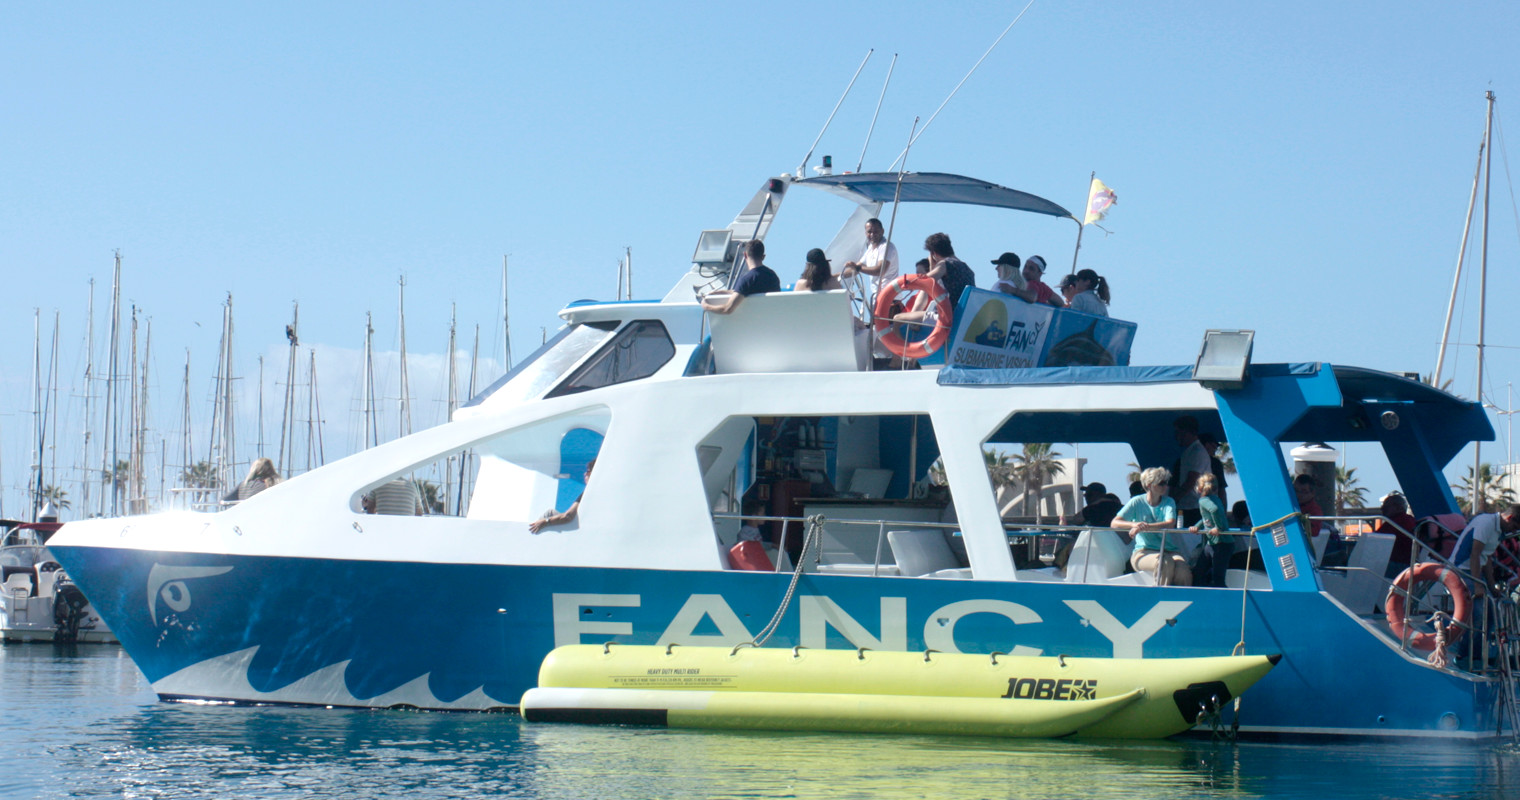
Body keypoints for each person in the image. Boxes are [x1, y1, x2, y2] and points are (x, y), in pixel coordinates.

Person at [1112, 466, 1194, 586]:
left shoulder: (1169, 501)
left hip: (1169, 551)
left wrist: (1144, 527)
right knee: (1164, 562)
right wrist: (1135, 524)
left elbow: (1170, 523)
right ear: (1149, 485)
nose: (1166, 486)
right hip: (1143, 552)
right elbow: (1114, 523)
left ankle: (1183, 600)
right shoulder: (1136, 502)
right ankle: (1162, 597)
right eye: (1161, 483)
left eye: (1166, 483)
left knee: (1183, 571)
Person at [1450, 504, 1520, 598]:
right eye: (1515, 527)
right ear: (1509, 518)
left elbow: (1486, 557)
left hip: (1475, 572)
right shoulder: (1487, 522)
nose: (1514, 532)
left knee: (1491, 607)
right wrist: (1477, 586)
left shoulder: (1498, 531)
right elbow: (1475, 554)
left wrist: (1492, 587)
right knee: (1479, 608)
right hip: (1461, 570)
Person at [701, 240, 779, 314]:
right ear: (763, 257)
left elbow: (727, 309)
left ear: (745, 255)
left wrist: (706, 306)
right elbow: (739, 291)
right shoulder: (773, 276)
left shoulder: (747, 280)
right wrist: (715, 293)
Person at [841, 218, 899, 303]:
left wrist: (857, 268)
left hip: (890, 298)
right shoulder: (870, 251)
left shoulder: (886, 247)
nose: (872, 234)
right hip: (877, 297)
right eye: (869, 232)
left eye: (875, 232)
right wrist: (835, 276)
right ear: (865, 233)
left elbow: (880, 270)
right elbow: (856, 269)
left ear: (882, 231)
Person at [529, 459, 596, 533]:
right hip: (585, 526)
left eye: (588, 471)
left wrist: (546, 521)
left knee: (549, 513)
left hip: (577, 529)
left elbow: (568, 516)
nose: (585, 474)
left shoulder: (587, 493)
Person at [1193, 473, 1234, 587]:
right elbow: (1206, 517)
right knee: (1199, 571)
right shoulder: (1216, 498)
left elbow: (1214, 510)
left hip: (1221, 543)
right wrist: (1197, 526)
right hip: (1212, 543)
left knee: (1218, 577)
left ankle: (1224, 600)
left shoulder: (1203, 500)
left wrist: (1218, 528)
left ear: (1200, 488)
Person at [1171, 415, 1210, 526]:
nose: (1176, 436)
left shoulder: (1197, 452)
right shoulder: (1189, 451)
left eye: (1178, 433)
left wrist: (1173, 500)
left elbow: (1191, 480)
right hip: (1187, 506)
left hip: (1194, 507)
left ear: (1186, 432)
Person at [923, 233, 975, 309]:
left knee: (899, 317)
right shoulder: (968, 270)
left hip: (947, 315)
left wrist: (932, 266)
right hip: (964, 316)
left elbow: (924, 281)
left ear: (933, 253)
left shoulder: (945, 264)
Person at [1377, 492, 1420, 579]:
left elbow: (1374, 539)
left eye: (1386, 507)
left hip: (1402, 567)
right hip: (1411, 564)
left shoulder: (1395, 523)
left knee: (1369, 565)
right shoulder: (1411, 520)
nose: (1382, 509)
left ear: (1398, 507)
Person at [1198, 432, 1229, 507]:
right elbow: (1221, 489)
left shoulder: (1185, 460)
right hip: (1210, 504)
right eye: (1214, 446)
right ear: (1207, 445)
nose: (1215, 449)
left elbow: (1221, 489)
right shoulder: (1215, 463)